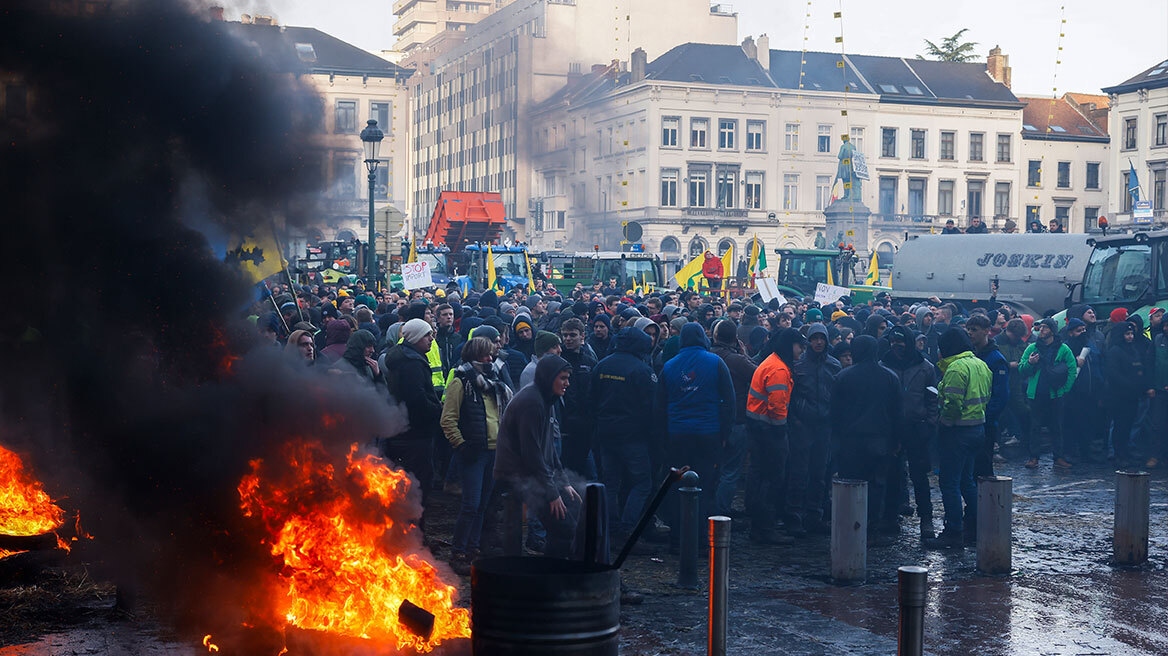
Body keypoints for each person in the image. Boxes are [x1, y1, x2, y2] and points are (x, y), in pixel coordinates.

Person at [494, 355, 582, 559]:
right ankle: (551, 574)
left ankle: (552, 571)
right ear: (549, 377)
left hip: (532, 473)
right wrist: (552, 494)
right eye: (562, 378)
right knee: (564, 529)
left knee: (570, 520)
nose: (567, 383)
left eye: (568, 378)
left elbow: (548, 448)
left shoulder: (546, 398)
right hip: (515, 475)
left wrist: (564, 482)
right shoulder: (532, 402)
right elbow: (531, 454)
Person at [441, 337, 513, 574]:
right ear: (474, 356)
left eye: (491, 354)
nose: (490, 359)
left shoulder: (494, 383)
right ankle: (459, 552)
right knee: (471, 505)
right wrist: (461, 446)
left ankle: (472, 550)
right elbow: (447, 419)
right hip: (473, 453)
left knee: (482, 505)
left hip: (493, 452)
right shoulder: (461, 382)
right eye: (485, 355)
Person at [660, 323, 735, 550]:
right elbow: (729, 401)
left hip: (677, 435)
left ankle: (677, 539)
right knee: (705, 486)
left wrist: (663, 437)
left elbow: (659, 405)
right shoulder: (716, 362)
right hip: (708, 433)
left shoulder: (669, 366)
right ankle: (701, 540)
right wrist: (725, 433)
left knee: (677, 486)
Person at [923, 329, 992, 550]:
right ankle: (979, 525)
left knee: (949, 482)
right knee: (967, 481)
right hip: (977, 429)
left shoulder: (956, 369)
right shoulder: (981, 365)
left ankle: (953, 531)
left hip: (958, 432)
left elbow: (953, 403)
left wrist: (945, 422)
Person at [831, 335, 902, 540]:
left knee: (850, 485)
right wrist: (896, 440)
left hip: (850, 441)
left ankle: (850, 528)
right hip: (879, 440)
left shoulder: (843, 376)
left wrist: (836, 438)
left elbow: (835, 411)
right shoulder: (890, 377)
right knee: (876, 486)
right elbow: (897, 413)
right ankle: (871, 529)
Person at [592, 326, 658, 542]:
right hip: (633, 437)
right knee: (643, 483)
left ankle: (610, 527)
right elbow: (651, 407)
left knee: (610, 483)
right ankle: (628, 528)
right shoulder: (642, 370)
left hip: (606, 433)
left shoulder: (602, 365)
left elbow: (591, 399)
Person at [382, 318, 443, 529]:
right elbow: (417, 400)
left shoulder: (405, 357)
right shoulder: (412, 363)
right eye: (427, 335)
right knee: (418, 486)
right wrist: (438, 409)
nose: (431, 338)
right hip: (416, 434)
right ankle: (414, 533)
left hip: (405, 431)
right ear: (415, 337)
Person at [744, 328, 804, 544]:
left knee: (760, 477)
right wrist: (781, 431)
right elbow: (777, 405)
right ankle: (765, 528)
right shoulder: (779, 369)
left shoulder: (771, 361)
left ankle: (759, 525)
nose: (801, 350)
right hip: (770, 433)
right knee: (772, 480)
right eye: (799, 346)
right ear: (790, 345)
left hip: (758, 429)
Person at [881, 325, 938, 541]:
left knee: (919, 476)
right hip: (892, 429)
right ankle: (890, 517)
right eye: (893, 342)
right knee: (892, 475)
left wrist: (929, 424)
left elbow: (933, 398)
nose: (897, 346)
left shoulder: (926, 367)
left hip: (917, 428)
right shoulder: (884, 365)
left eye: (901, 342)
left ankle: (926, 519)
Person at [785, 323, 840, 536]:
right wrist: (795, 420)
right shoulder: (797, 365)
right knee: (798, 472)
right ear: (808, 341)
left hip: (824, 426)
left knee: (819, 473)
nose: (818, 342)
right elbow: (790, 396)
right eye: (815, 338)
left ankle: (813, 515)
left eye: (821, 338)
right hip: (802, 425)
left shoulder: (833, 365)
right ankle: (794, 516)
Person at [709, 319, 758, 518]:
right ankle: (720, 513)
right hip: (736, 420)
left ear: (715, 336)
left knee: (712, 469)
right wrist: (743, 354)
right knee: (730, 471)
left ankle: (708, 510)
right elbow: (758, 374)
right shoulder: (737, 360)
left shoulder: (709, 356)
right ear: (735, 338)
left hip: (711, 420)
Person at [1019, 318, 1078, 469]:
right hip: (1036, 393)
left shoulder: (1063, 349)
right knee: (1035, 426)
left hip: (1055, 394)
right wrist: (1030, 363)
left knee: (1057, 426)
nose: (1041, 330)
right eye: (1040, 327)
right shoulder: (1032, 348)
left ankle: (1058, 457)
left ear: (1052, 330)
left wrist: (1065, 389)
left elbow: (1072, 369)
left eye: (1045, 327)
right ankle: (1034, 457)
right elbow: (1021, 369)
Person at [965, 314, 1008, 476]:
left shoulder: (996, 359)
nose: (970, 333)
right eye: (968, 329)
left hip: (986, 423)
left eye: (974, 330)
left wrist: (987, 417)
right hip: (969, 421)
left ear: (986, 331)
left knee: (983, 467)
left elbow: (1001, 395)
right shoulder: (970, 355)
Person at [1105, 321, 1153, 468]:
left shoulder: (1133, 349)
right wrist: (1132, 384)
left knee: (1128, 425)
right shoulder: (1115, 351)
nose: (1130, 336)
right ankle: (1118, 454)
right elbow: (1114, 374)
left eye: (1131, 333)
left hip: (1133, 395)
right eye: (1127, 334)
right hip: (1120, 396)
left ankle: (1125, 453)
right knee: (1120, 426)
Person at [558, 318, 599, 478]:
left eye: (572, 335)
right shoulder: (558, 361)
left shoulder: (589, 361)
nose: (568, 339)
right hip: (565, 426)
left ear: (582, 336)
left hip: (586, 425)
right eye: (565, 335)